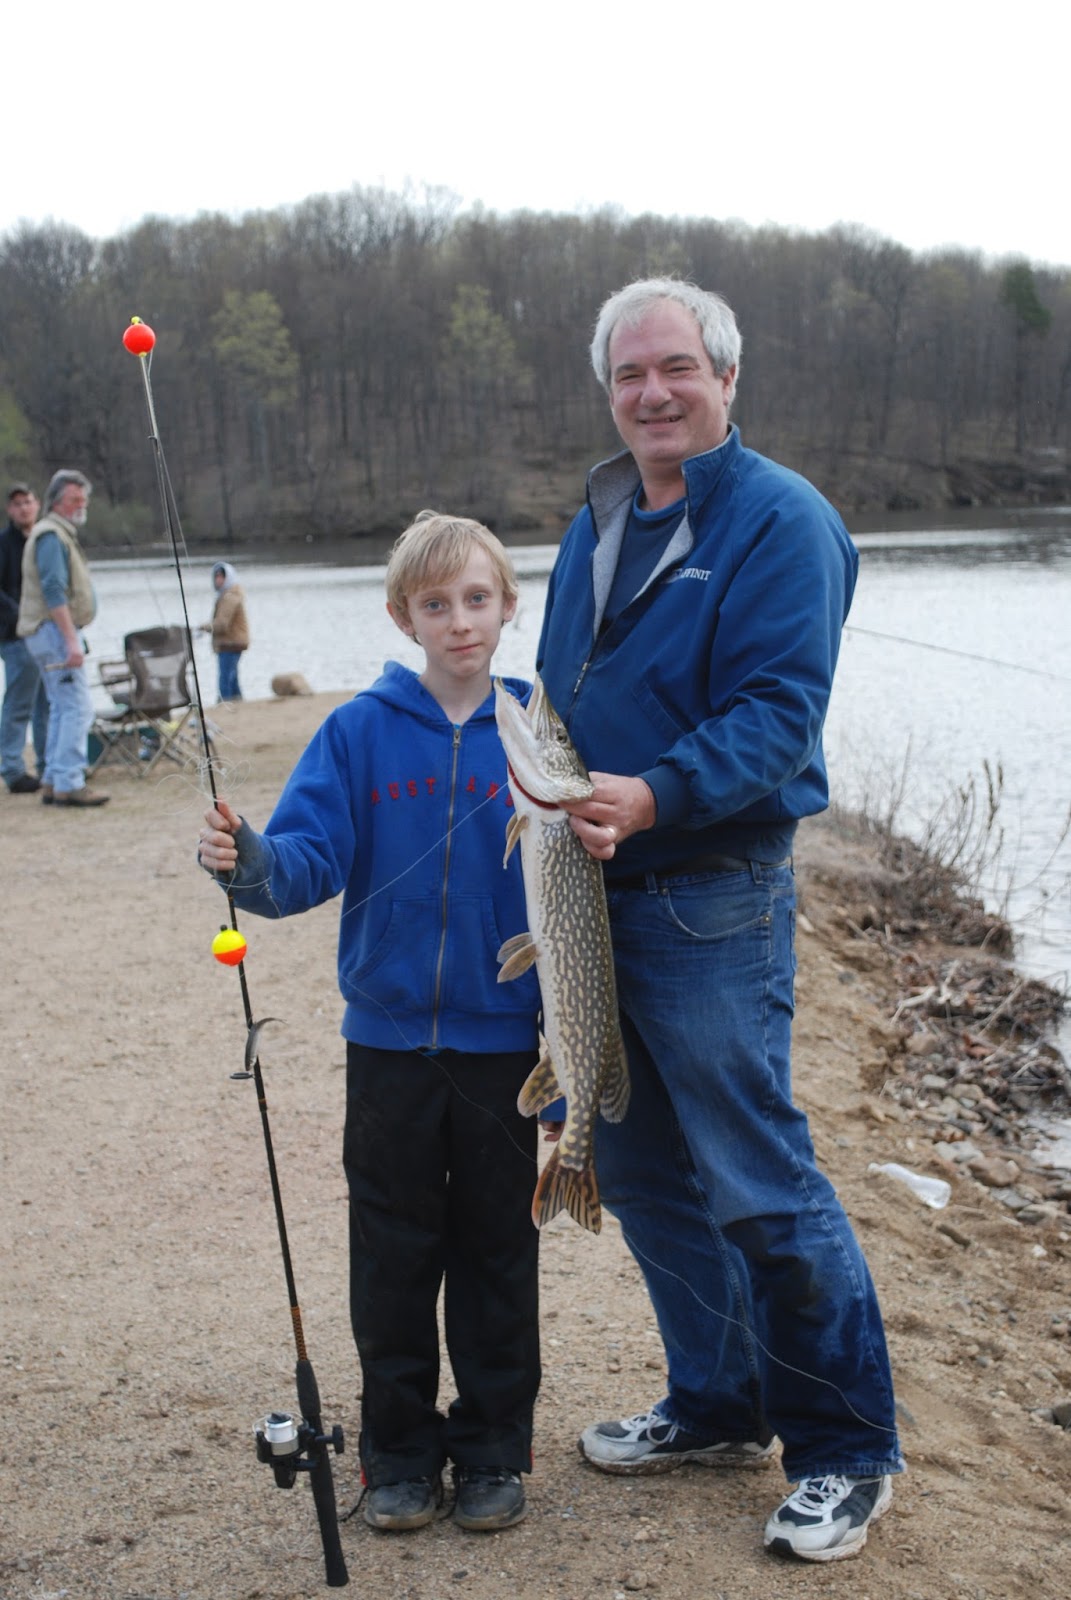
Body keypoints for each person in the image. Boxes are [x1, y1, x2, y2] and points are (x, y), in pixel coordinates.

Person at [536, 278, 903, 1563]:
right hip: (589, 892)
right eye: (630, 374)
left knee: (758, 1178)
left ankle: (849, 1450)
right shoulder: (595, 520)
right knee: (641, 1173)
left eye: (677, 367)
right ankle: (718, 1402)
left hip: (710, 899)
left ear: (728, 378)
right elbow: (557, 693)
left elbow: (779, 715)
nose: (653, 393)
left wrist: (655, 794)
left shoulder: (783, 520)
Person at [196, 511, 543, 1535]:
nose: (459, 621)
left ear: (508, 606)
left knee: (497, 1252)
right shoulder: (357, 731)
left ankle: (492, 1448)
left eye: (476, 599)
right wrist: (249, 859)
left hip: (505, 1047)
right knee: (391, 1254)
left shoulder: (541, 726)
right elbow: (302, 864)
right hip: (387, 1047)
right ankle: (397, 1453)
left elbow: (587, 867)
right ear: (403, 617)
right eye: (436, 604)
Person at [18, 469, 108, 808]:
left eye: (84, 499)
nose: (82, 504)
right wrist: (71, 640)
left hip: (47, 632)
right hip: (53, 632)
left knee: (60, 706)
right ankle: (70, 781)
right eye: (75, 499)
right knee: (76, 706)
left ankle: (54, 779)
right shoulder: (51, 536)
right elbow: (53, 590)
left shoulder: (55, 534)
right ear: (57, 501)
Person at [0, 484, 49, 793]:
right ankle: (13, 769)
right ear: (10, 510)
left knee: (47, 703)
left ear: (37, 504)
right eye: (17, 504)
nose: (23, 508)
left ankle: (48, 764)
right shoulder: (4, 544)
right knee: (19, 703)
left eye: (27, 502)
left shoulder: (44, 540)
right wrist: (21, 617)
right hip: (16, 637)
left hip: (47, 634)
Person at [203, 561, 249, 701]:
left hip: (231, 643)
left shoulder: (230, 597)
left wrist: (203, 627)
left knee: (225, 679)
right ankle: (238, 703)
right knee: (232, 678)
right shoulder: (225, 595)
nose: (218, 580)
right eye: (216, 576)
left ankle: (225, 704)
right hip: (230, 643)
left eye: (221, 576)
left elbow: (222, 624)